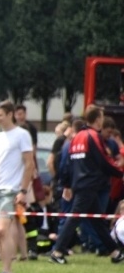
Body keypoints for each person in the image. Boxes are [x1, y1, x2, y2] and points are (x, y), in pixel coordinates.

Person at [49, 105, 124, 264]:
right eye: (102, 117)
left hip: (80, 184)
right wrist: (120, 172)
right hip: (89, 184)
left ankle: (115, 252)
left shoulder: (77, 137)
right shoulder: (93, 136)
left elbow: (67, 164)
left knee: (97, 220)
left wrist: (67, 184)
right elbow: (103, 160)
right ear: (98, 119)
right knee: (75, 218)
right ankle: (57, 251)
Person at [0, 100, 35, 273]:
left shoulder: (22, 135)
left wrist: (23, 190)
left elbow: (29, 164)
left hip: (11, 190)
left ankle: (8, 272)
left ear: (10, 114)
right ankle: (4, 272)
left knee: (2, 229)